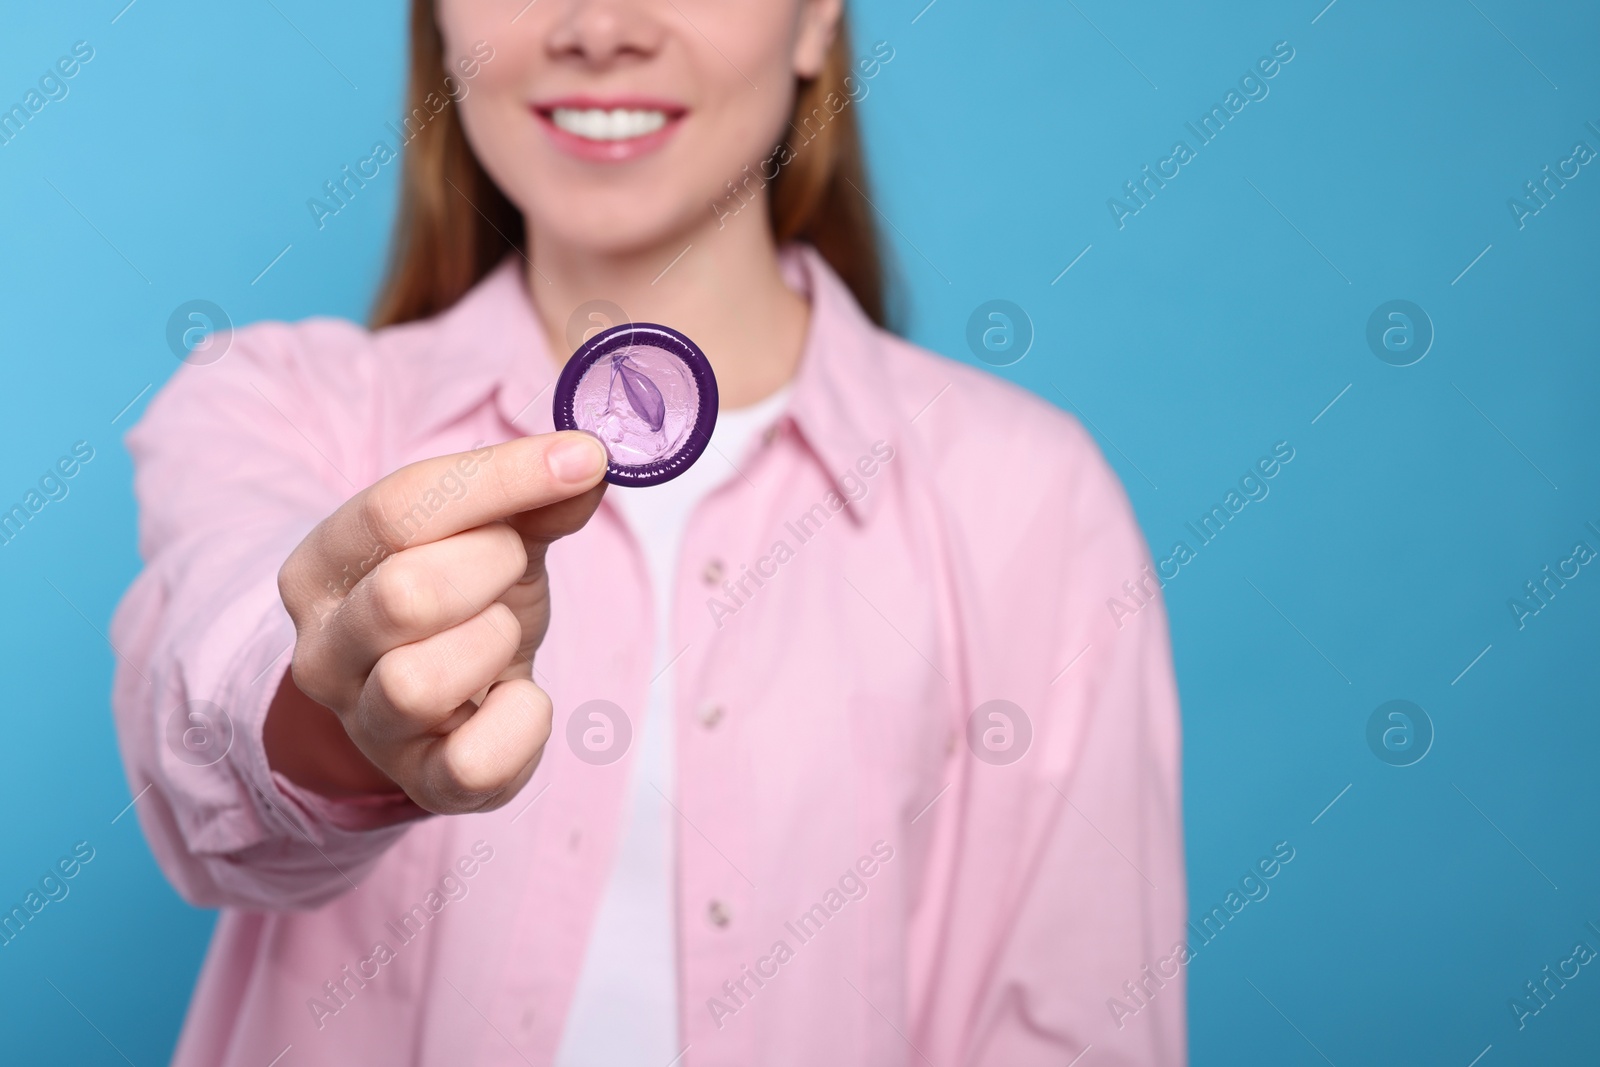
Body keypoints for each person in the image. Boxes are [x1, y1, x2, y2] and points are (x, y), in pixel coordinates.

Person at [110, 1, 1187, 1063]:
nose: (600, 24)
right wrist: (348, 707)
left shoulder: (1030, 497)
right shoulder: (270, 402)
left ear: (818, 18)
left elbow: (1079, 1021)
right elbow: (208, 672)